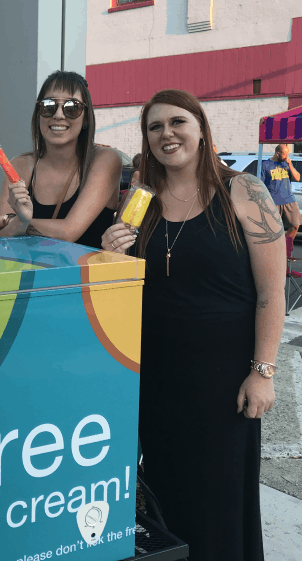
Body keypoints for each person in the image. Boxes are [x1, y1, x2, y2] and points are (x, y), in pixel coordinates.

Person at [101, 89, 284, 561]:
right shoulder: (140, 199)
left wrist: (262, 372)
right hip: (156, 377)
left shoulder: (244, 190)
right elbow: (125, 285)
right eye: (155, 127)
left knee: (220, 498)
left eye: (177, 122)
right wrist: (111, 253)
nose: (167, 133)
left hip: (223, 382)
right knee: (165, 491)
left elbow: (272, 294)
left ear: (201, 128)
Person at [0, 70, 121, 248]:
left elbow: (68, 232)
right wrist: (15, 223)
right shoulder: (21, 165)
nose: (58, 115)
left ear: (86, 118)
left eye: (72, 107)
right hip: (29, 267)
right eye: (48, 106)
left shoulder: (106, 159)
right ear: (38, 114)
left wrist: (15, 223)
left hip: (86, 267)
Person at [261, 144, 302, 277]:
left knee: (295, 225)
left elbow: (297, 178)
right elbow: (260, 185)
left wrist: (290, 164)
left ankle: (285, 250)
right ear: (278, 153)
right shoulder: (266, 165)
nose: (287, 156)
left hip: (289, 199)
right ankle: (275, 258)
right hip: (273, 202)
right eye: (285, 154)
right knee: (274, 231)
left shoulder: (286, 163)